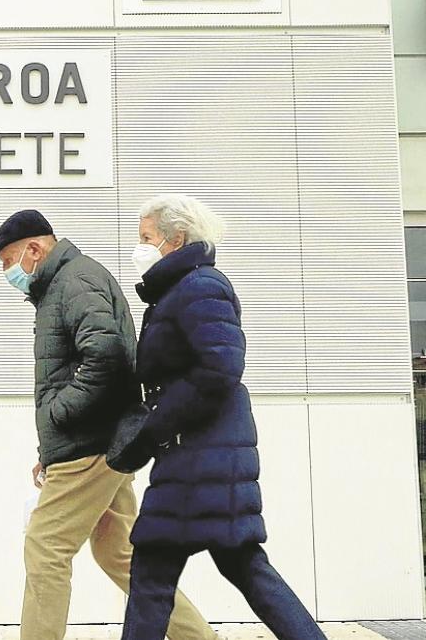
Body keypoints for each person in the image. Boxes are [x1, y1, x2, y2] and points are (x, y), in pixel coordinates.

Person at [0, 210, 215, 640]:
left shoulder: (74, 281)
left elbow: (106, 359)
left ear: (35, 249)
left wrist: (58, 416)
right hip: (103, 440)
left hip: (90, 444)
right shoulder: (65, 283)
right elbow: (76, 365)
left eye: (8, 260)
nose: (7, 271)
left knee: (45, 546)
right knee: (120, 554)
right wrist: (46, 450)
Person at [121, 194, 325, 640]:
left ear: (176, 239)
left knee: (153, 572)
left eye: (146, 238)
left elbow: (220, 367)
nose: (138, 248)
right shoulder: (183, 289)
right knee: (243, 565)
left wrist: (154, 431)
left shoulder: (199, 287)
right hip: (207, 455)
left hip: (197, 456)